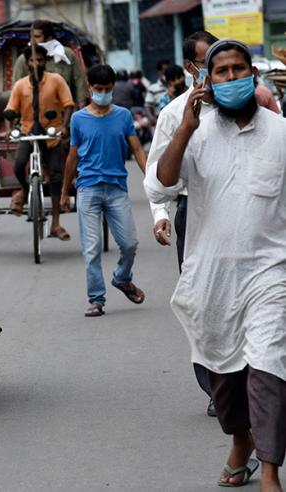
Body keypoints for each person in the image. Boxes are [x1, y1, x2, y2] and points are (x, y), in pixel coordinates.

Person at [145, 39, 286, 491]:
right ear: (206, 78)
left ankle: (269, 469)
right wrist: (185, 129)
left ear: (253, 74)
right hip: (211, 275)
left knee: (267, 366)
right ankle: (240, 441)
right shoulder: (190, 127)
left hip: (270, 272)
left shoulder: (281, 133)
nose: (230, 78)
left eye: (237, 69)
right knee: (223, 378)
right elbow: (162, 185)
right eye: (220, 71)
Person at [145, 31, 219, 418]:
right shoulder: (174, 113)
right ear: (191, 68)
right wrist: (160, 215)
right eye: (210, 62)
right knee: (201, 301)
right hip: (194, 214)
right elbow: (157, 177)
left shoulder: (254, 107)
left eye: (226, 61)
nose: (220, 70)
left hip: (246, 213)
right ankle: (215, 388)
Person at [60, 64, 147, 317]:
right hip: (88, 188)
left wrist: (151, 178)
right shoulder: (78, 119)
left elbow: (138, 150)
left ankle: (122, 278)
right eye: (98, 89)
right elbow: (72, 157)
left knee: (130, 243)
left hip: (117, 188)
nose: (103, 93)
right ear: (90, 88)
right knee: (92, 248)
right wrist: (65, 191)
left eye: (107, 89)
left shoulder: (123, 116)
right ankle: (96, 299)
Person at [3, 44, 74, 239]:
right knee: (18, 165)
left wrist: (64, 126)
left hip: (51, 134)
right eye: (33, 60)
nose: (37, 64)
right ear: (27, 63)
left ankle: (56, 223)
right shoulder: (20, 85)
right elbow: (11, 109)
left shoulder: (56, 80)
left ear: (45, 62)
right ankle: (25, 190)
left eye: (40, 60)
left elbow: (68, 104)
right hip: (28, 132)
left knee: (56, 175)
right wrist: (10, 129)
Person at [12, 19, 88, 108]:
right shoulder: (24, 59)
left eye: (37, 37)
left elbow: (79, 82)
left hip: (65, 109)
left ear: (49, 37)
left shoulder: (66, 55)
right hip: (35, 111)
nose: (33, 41)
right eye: (31, 37)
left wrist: (81, 108)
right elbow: (16, 89)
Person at [144, 59, 170, 125]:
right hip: (159, 121)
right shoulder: (153, 88)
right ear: (159, 72)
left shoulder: (175, 86)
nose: (165, 72)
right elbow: (147, 106)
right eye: (163, 70)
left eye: (167, 70)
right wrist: (151, 118)